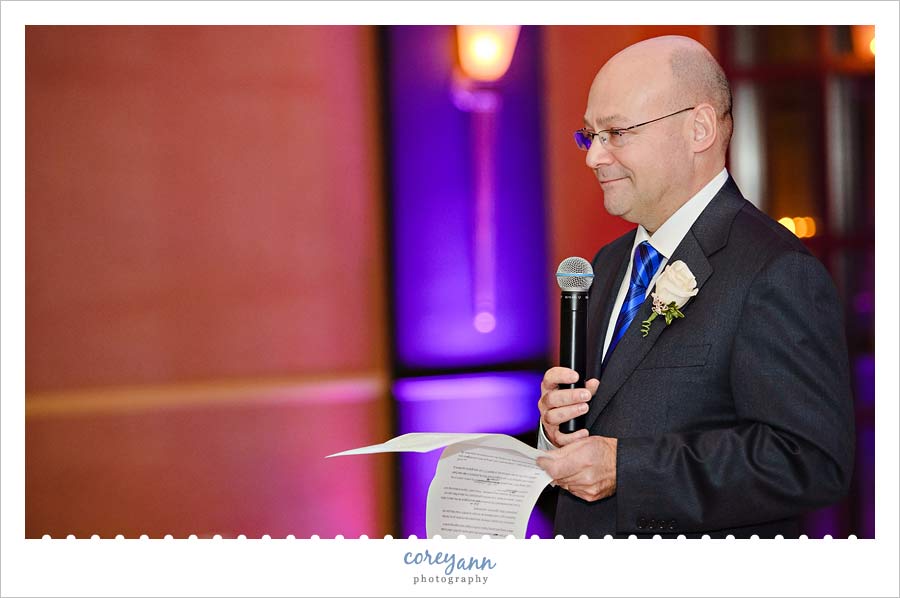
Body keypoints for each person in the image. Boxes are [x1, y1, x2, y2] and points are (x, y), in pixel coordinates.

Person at [534, 35, 855, 538]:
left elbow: (808, 460)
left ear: (699, 129)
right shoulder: (607, 264)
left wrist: (627, 469)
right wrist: (558, 428)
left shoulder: (774, 269)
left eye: (616, 133)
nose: (594, 157)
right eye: (589, 135)